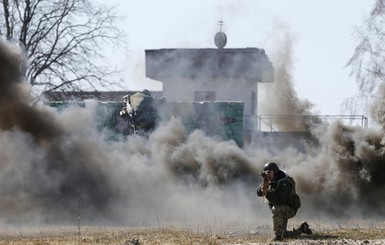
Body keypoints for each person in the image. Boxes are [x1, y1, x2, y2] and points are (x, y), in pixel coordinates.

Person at [257, 162, 312, 241]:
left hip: (289, 209)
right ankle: (302, 229)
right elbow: (259, 192)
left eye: (270, 172)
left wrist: (267, 193)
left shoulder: (284, 182)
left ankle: (278, 237)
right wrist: (262, 189)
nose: (268, 175)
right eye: (266, 173)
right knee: (285, 235)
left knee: (276, 208)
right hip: (281, 210)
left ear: (275, 172)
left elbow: (280, 200)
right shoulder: (271, 180)